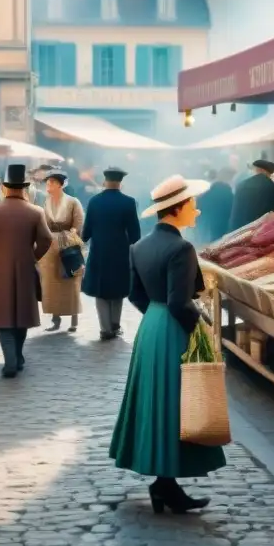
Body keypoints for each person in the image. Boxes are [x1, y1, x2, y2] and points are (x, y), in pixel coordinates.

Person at [109, 174, 226, 513]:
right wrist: (201, 330)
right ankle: (166, 485)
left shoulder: (139, 246)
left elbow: (134, 293)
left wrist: (155, 317)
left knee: (156, 401)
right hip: (173, 327)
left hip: (152, 328)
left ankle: (164, 485)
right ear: (177, 209)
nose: (197, 211)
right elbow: (180, 301)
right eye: (193, 204)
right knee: (176, 404)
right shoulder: (181, 248)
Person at [0, 165, 53, 378]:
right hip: (26, 268)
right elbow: (46, 240)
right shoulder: (36, 212)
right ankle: (17, 356)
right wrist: (33, 256)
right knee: (22, 315)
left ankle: (11, 361)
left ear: (5, 187)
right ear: (24, 188)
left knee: (3, 316)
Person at [81, 167, 141, 340]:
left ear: (104, 181)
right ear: (120, 182)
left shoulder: (94, 201)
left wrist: (80, 240)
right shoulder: (129, 202)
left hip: (99, 251)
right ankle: (115, 324)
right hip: (120, 253)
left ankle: (105, 328)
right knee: (118, 289)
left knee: (101, 291)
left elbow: (86, 232)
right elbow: (135, 234)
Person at [40, 169, 85, 332]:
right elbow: (43, 221)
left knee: (70, 279)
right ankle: (55, 318)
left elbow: (79, 221)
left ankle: (74, 319)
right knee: (51, 282)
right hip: (50, 243)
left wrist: (72, 232)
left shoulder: (73, 202)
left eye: (52, 182)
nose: (48, 185)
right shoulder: (46, 202)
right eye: (48, 182)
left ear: (60, 184)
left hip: (68, 243)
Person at [228, 159, 274, 231]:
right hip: (263, 232)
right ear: (265, 172)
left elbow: (235, 213)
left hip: (242, 230)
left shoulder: (241, 185)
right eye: (270, 175)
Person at [196, 168, 234, 243]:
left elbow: (198, 213)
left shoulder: (203, 194)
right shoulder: (228, 193)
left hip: (207, 232)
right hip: (224, 230)